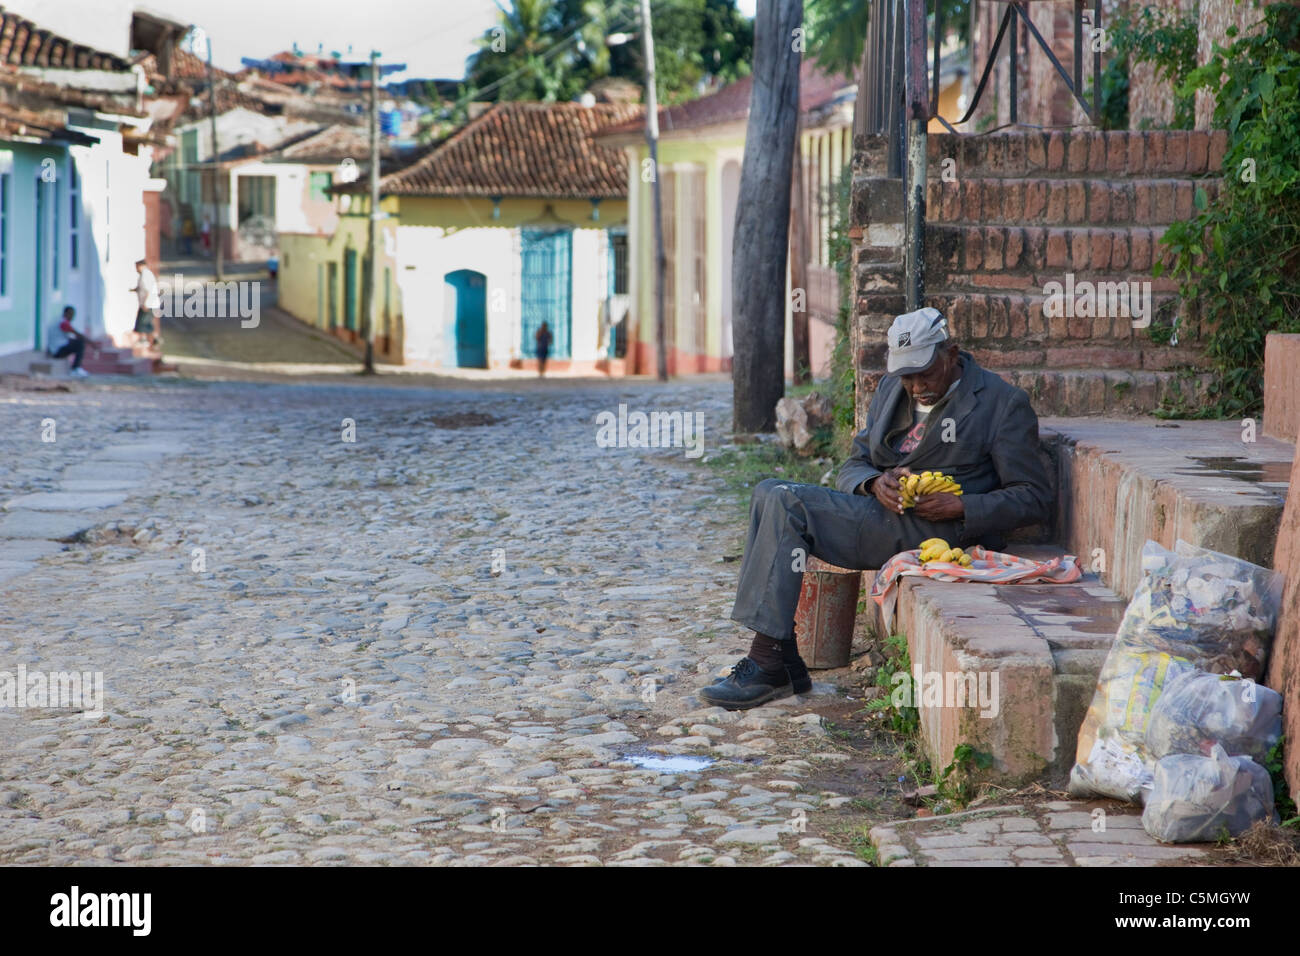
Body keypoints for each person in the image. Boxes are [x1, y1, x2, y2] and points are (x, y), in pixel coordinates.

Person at [700, 307, 1054, 710]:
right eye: (907, 375)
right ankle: (778, 656)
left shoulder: (1001, 403)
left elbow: (1034, 497)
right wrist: (871, 483)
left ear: (951, 354)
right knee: (768, 490)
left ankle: (768, 663)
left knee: (785, 500)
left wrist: (962, 506)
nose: (916, 386)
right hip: (880, 514)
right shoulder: (891, 390)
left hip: (939, 531)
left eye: (925, 373)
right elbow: (854, 463)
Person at [48, 306, 90, 377]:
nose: (72, 317)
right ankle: (75, 369)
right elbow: (77, 334)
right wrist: (93, 344)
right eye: (71, 314)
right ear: (66, 313)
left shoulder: (59, 321)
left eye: (73, 315)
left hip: (57, 348)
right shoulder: (63, 323)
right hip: (57, 351)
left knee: (77, 342)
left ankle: (76, 368)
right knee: (80, 343)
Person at [132, 259, 162, 348]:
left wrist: (145, 303)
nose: (136, 269)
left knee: (142, 322)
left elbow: (148, 290)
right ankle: (156, 339)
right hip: (150, 303)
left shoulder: (146, 275)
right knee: (147, 323)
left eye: (137, 267)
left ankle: (144, 339)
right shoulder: (144, 275)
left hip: (148, 304)